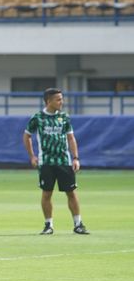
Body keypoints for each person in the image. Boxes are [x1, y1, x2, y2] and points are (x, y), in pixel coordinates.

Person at [23, 88, 89, 235]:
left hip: (64, 161)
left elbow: (71, 138)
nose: (62, 102)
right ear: (48, 101)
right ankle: (48, 225)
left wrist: (76, 158)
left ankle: (78, 224)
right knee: (47, 194)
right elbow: (26, 136)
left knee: (71, 192)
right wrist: (32, 156)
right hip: (46, 162)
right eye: (58, 99)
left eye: (62, 98)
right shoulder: (38, 117)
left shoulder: (64, 117)